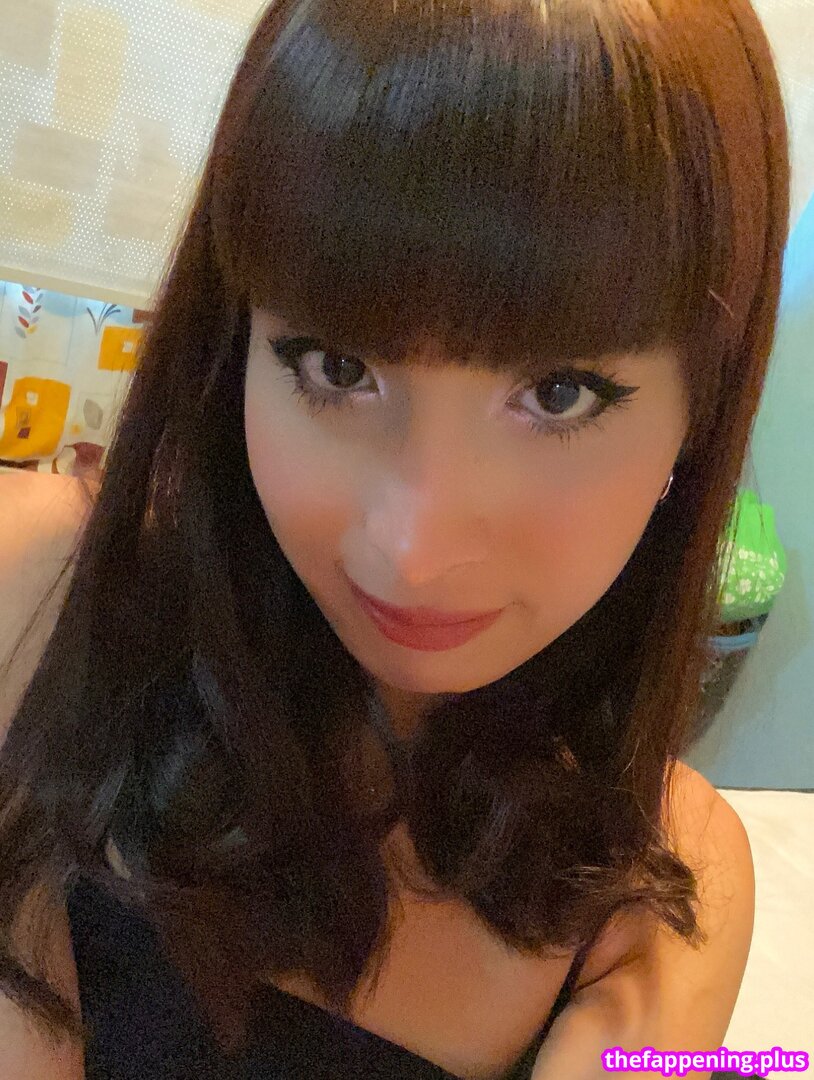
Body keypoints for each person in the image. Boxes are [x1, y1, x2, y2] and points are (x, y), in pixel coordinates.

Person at [0, 0, 790, 1076]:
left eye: (558, 393)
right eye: (338, 368)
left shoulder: (663, 886)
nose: (412, 548)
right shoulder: (40, 595)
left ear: (699, 417)